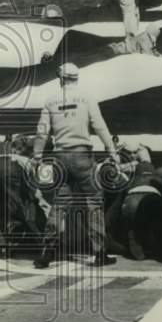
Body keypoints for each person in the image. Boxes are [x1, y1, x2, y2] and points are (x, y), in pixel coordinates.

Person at [32, 63, 119, 269]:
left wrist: (37, 156)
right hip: (82, 154)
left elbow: (42, 131)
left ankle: (46, 253)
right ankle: (100, 253)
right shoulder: (86, 98)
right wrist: (112, 152)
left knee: (60, 204)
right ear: (76, 78)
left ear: (60, 78)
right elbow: (99, 125)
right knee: (94, 202)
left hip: (60, 156)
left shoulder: (50, 101)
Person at [0, 134, 51, 250]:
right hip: (10, 167)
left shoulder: (7, 153)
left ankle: (1, 244)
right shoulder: (28, 161)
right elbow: (34, 192)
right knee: (25, 208)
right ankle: (42, 245)